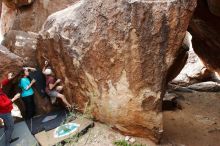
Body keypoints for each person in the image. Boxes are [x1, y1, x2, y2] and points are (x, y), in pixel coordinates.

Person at [0, 73, 21, 146]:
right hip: (4, 113)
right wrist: (14, 99)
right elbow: (2, 105)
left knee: (7, 126)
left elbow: (2, 83)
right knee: (11, 127)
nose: (1, 84)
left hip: (5, 112)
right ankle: (7, 143)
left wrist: (9, 78)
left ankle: (8, 139)